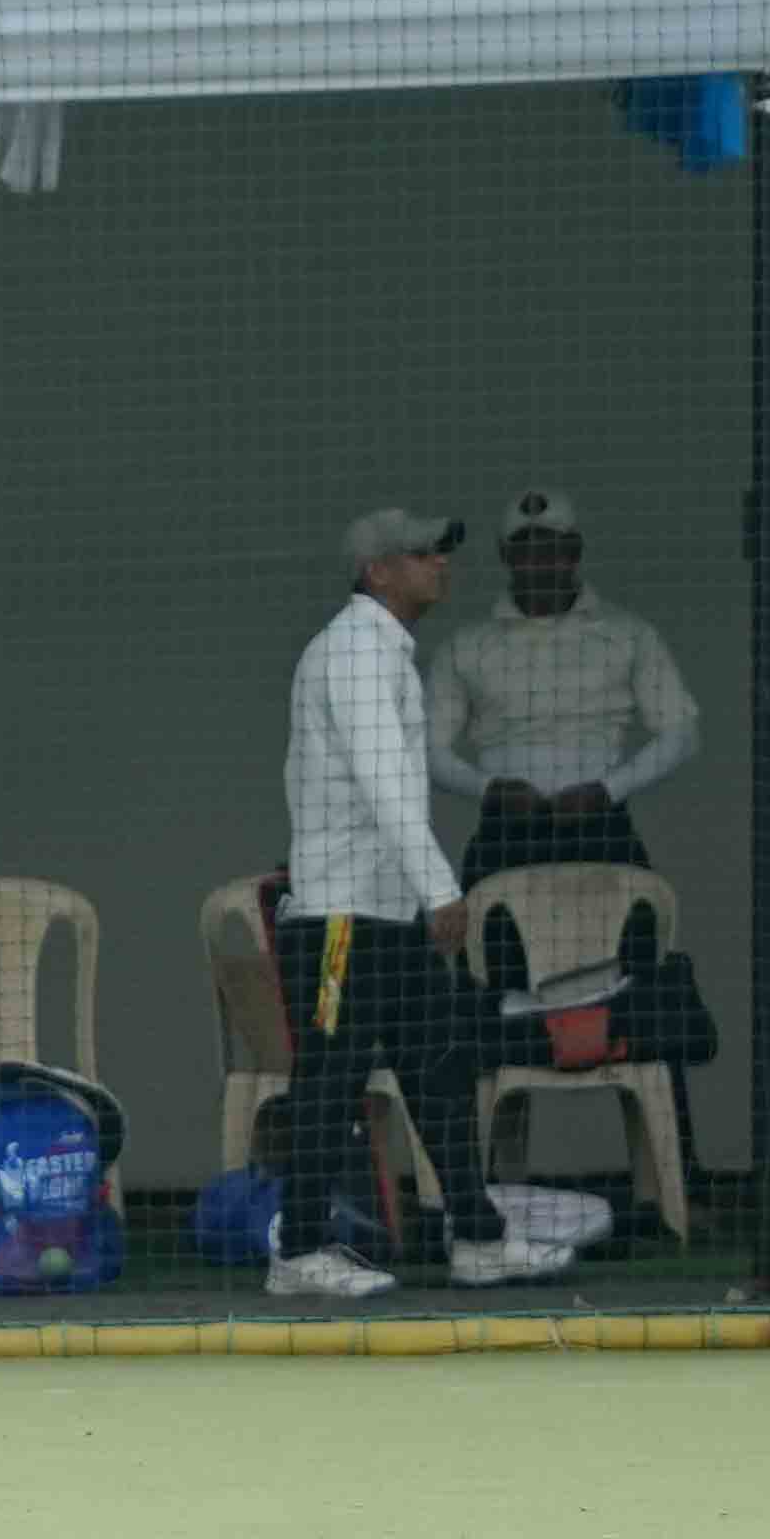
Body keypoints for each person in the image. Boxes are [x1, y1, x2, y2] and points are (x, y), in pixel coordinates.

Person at [268, 508, 565, 1303]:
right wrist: (442, 887)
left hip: (388, 917)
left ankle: (477, 1238)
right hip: (339, 919)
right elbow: (387, 784)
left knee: (438, 1071)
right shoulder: (356, 653)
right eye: (423, 554)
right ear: (379, 573)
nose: (442, 563)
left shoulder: (384, 651)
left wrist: (417, 894)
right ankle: (298, 1251)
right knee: (329, 1082)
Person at [426, 487, 697, 877]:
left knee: (632, 934)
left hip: (601, 828)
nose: (538, 563)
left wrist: (608, 790)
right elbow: (424, 749)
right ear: (505, 556)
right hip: (505, 832)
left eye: (551, 549)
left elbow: (683, 734)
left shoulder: (628, 634)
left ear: (575, 550)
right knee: (485, 937)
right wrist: (488, 789)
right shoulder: (467, 645)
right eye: (524, 551)